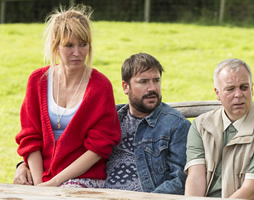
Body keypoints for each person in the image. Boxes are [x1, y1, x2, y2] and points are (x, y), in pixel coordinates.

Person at [14, 53, 191, 194]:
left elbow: (180, 180)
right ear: (125, 87)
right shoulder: (110, 117)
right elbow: (68, 151)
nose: (152, 88)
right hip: (98, 193)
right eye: (143, 82)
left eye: (156, 80)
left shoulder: (175, 125)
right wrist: (23, 165)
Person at [15, 5, 121, 188]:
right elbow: (30, 137)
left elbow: (98, 147)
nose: (77, 53)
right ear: (56, 45)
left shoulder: (100, 87)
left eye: (83, 44)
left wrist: (54, 183)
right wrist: (39, 184)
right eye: (69, 45)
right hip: (42, 176)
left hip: (84, 178)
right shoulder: (37, 81)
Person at [184, 58, 254, 200]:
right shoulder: (201, 125)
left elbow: (249, 192)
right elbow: (195, 178)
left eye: (244, 87)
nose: (238, 94)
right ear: (217, 93)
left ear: (252, 89)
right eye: (230, 89)